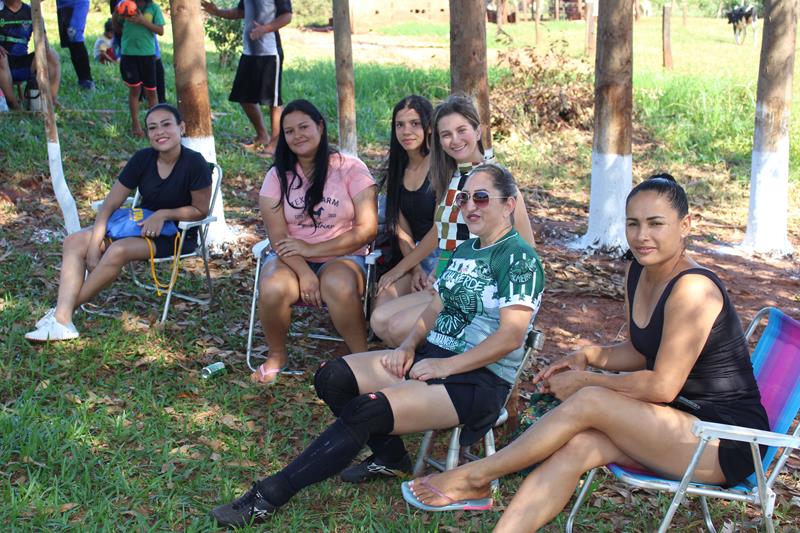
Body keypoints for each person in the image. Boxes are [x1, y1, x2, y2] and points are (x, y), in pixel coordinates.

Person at [403, 174, 770, 533]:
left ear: (685, 224)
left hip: (725, 440)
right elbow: (640, 352)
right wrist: (589, 356)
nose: (642, 236)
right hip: (676, 424)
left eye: (656, 224)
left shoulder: (693, 288)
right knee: (578, 447)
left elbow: (662, 386)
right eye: (633, 223)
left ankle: (478, 475)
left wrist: (585, 381)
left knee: (591, 399)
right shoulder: (639, 271)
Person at [210, 164, 545, 528]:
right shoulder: (466, 249)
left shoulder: (519, 259)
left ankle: (269, 494)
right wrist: (407, 345)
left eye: (482, 197)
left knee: (365, 412)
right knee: (333, 376)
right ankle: (390, 456)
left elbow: (511, 336)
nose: (470, 206)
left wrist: (446, 367)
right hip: (434, 358)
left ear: (509, 204)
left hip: (476, 381)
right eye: (464, 198)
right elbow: (435, 307)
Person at [25, 104, 212, 342]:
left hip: (176, 236)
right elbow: (109, 206)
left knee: (118, 250)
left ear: (181, 127)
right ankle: (62, 319)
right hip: (138, 226)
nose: (159, 132)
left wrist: (164, 214)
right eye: (152, 127)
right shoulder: (143, 159)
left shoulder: (195, 164)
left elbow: (200, 210)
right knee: (74, 241)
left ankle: (61, 314)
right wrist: (93, 247)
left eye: (166, 124)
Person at [370, 94, 535, 347]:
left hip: (479, 291)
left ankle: (437, 371)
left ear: (478, 131)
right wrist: (435, 271)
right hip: (446, 281)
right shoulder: (452, 177)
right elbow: (447, 234)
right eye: (446, 134)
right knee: (379, 319)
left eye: (461, 130)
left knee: (397, 327)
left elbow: (527, 248)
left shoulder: (497, 179)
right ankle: (418, 371)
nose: (454, 140)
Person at [251, 99, 377, 384]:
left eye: (304, 127)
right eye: (289, 131)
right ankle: (276, 354)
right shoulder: (277, 176)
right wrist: (305, 271)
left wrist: (313, 249)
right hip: (290, 257)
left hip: (343, 254)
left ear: (320, 126)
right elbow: (278, 236)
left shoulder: (350, 168)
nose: (298, 136)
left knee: (338, 284)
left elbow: (367, 229)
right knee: (272, 286)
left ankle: (360, 357)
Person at [201, 0, 291, 156]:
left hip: (269, 52)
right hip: (249, 51)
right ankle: (262, 135)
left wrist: (265, 29)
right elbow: (240, 12)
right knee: (243, 96)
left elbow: (287, 16)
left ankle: (276, 142)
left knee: (273, 100)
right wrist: (216, 11)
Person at [373, 95, 437, 311]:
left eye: (415, 124)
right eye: (400, 125)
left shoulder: (440, 167)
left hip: (444, 254)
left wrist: (401, 268)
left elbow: (441, 230)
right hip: (412, 255)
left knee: (414, 313)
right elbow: (401, 228)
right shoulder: (398, 169)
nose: (406, 131)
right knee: (381, 305)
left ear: (429, 127)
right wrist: (415, 267)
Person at [113, 0, 164, 137]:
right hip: (129, 54)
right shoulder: (126, 5)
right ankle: (136, 126)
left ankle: (155, 127)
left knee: (151, 92)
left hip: (147, 55)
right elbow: (117, 29)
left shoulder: (153, 8)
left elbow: (160, 31)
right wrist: (116, 15)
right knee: (135, 89)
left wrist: (143, 21)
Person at [0, 0, 61, 110]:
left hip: (24, 62)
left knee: (52, 56)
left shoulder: (32, 11)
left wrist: (43, 42)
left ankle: (51, 100)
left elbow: (44, 44)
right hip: (3, 63)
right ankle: (13, 104)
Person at [56, 0, 94, 89]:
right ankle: (83, 79)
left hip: (77, 3)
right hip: (62, 5)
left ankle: (86, 80)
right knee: (70, 42)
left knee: (75, 36)